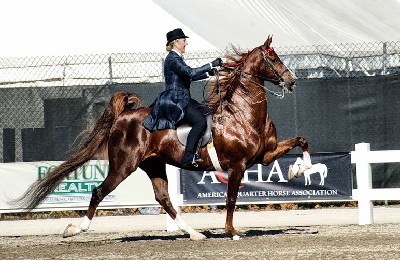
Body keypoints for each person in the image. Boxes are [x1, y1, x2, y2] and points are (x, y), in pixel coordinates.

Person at [143, 28, 222, 168]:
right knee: (200, 121)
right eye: (184, 40)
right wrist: (210, 64)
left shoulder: (177, 58)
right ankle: (188, 156)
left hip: (183, 98)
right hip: (175, 100)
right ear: (175, 43)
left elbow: (188, 75)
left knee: (205, 110)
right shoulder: (173, 59)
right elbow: (190, 73)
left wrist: (209, 73)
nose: (186, 43)